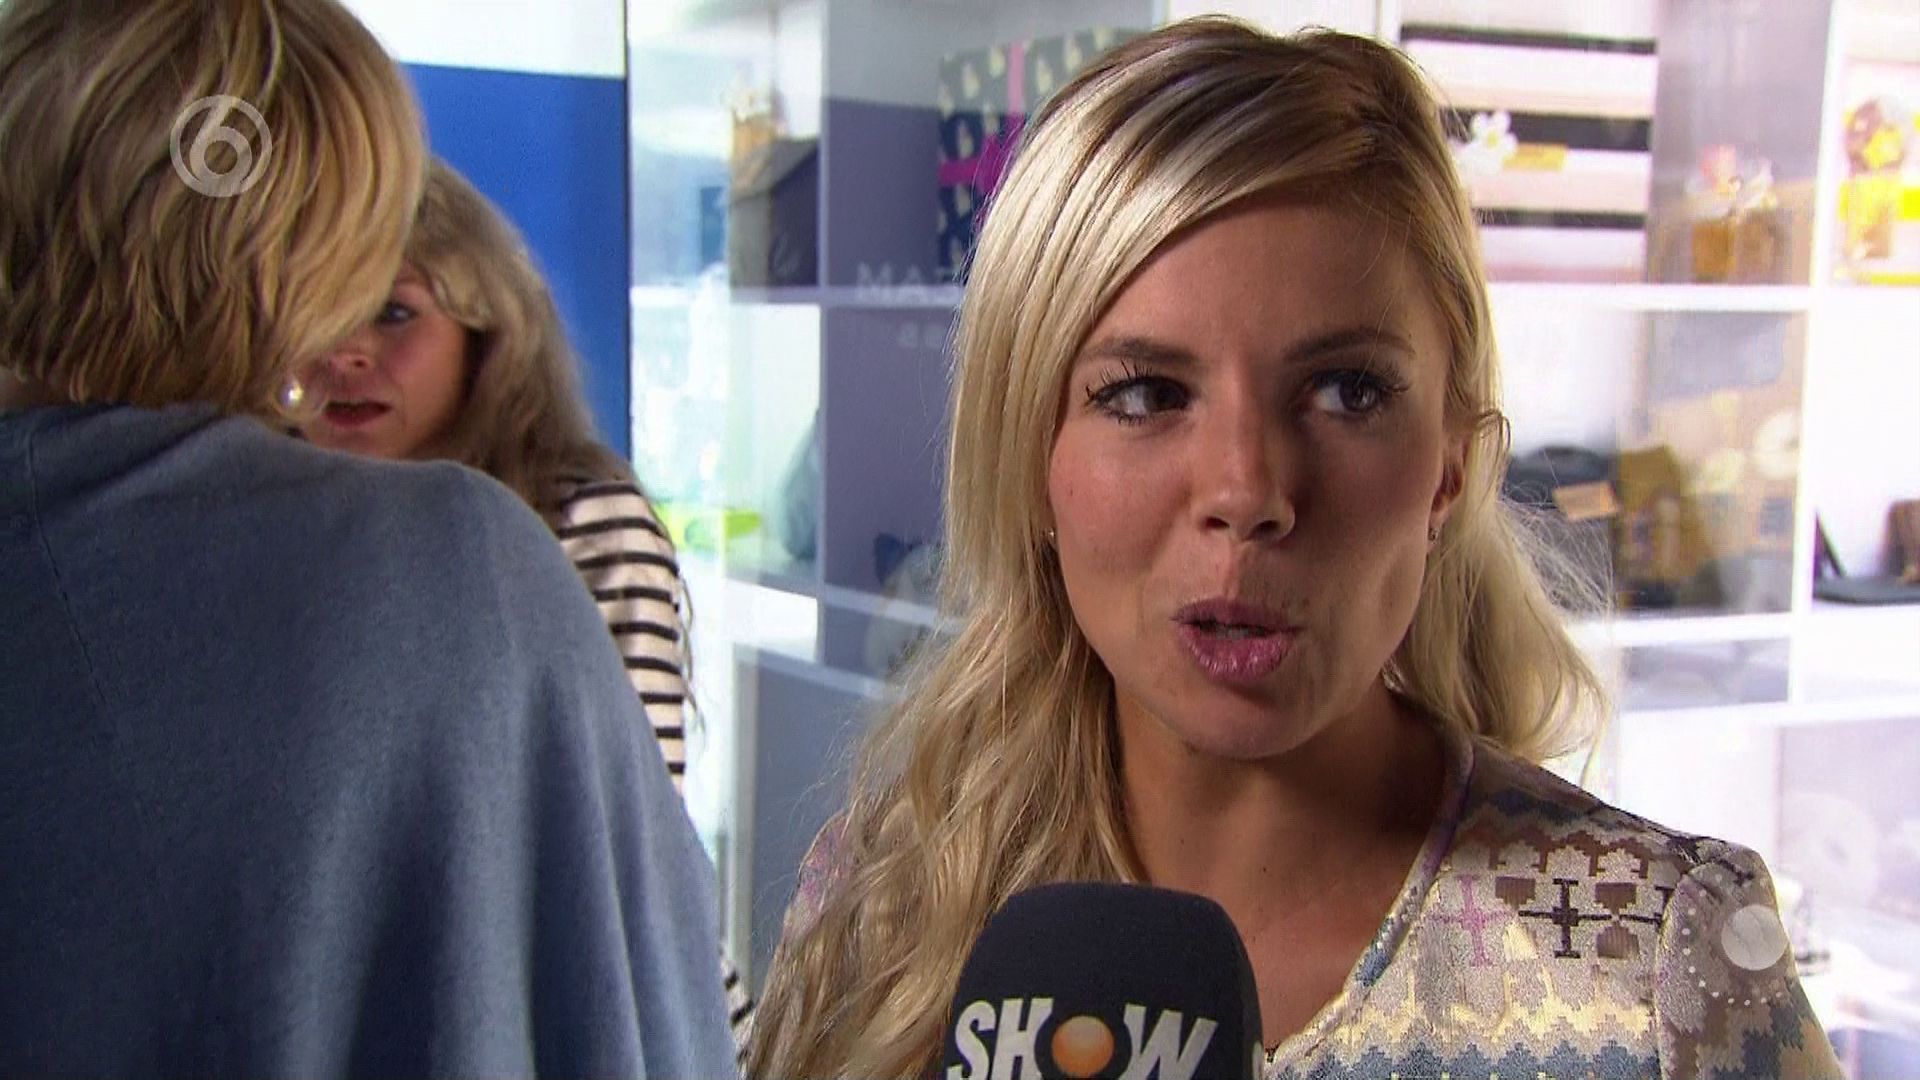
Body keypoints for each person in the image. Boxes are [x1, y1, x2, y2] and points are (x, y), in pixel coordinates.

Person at [748, 18, 1842, 1080]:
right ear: (1032, 456)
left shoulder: (1661, 971)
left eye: (1346, 391)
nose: (1247, 492)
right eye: (1145, 394)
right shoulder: (879, 909)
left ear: (1451, 466)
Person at [0, 2, 737, 1076]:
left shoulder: (539, 528)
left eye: (399, 315)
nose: (353, 355)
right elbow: (635, 1006)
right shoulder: (459, 564)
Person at [297, 158, 755, 1049]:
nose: (346, 352)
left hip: (601, 1011)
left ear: (487, 334)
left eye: (394, 313)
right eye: (320, 309)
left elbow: (626, 847)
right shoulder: (275, 532)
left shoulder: (584, 519)